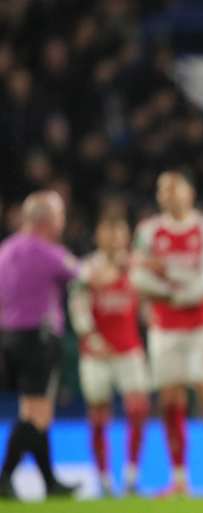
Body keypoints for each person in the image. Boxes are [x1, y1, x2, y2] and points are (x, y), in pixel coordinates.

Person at [129, 170, 203, 496]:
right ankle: (179, 477)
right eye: (163, 190)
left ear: (190, 192)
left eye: (175, 189)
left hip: (202, 328)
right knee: (171, 400)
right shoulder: (148, 232)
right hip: (164, 329)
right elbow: (137, 277)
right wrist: (176, 288)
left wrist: (173, 284)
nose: (169, 195)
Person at [0, 191, 80, 499]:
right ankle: (5, 475)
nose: (62, 221)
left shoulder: (5, 250)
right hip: (40, 339)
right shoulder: (49, 253)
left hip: (10, 338)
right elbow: (82, 274)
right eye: (59, 216)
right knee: (38, 414)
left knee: (31, 407)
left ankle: (49, 481)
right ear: (48, 220)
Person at [69, 216, 150, 496]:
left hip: (129, 351)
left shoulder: (137, 267)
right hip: (96, 354)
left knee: (138, 411)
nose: (115, 237)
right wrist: (90, 336)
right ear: (98, 236)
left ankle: (131, 476)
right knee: (99, 417)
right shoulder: (86, 269)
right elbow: (77, 306)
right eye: (109, 231)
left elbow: (146, 305)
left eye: (120, 231)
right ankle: (103, 479)